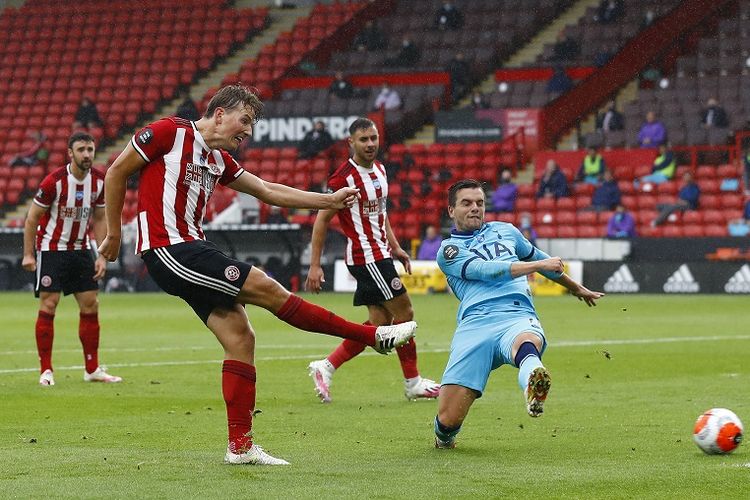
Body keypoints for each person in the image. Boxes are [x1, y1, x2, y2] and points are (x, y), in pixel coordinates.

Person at [98, 85, 417, 466]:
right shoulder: (169, 132)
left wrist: (328, 201)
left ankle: (241, 447)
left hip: (191, 248)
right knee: (267, 288)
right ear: (219, 114)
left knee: (241, 338)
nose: (247, 132)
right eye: (244, 121)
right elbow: (117, 171)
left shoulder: (218, 158)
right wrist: (114, 233)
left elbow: (267, 190)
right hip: (170, 249)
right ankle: (371, 335)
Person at [432, 179, 604, 449]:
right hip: (475, 324)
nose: (475, 208)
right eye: (466, 203)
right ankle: (444, 437)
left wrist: (576, 288)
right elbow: (484, 270)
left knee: (527, 344)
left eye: (480, 203)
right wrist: (535, 264)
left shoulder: (506, 231)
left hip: (516, 313)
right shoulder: (449, 250)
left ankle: (533, 384)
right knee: (448, 419)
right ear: (451, 210)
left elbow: (545, 263)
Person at [305, 118, 440, 404]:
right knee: (406, 314)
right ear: (350, 143)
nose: (370, 144)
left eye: (374, 138)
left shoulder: (380, 170)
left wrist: (396, 247)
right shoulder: (343, 179)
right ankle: (413, 382)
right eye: (363, 139)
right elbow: (322, 219)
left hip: (381, 253)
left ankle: (326, 366)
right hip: (366, 257)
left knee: (379, 323)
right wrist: (315, 265)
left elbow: (381, 215)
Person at [21, 131, 122, 387]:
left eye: (90, 149)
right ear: (70, 153)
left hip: (80, 249)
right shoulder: (53, 182)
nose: (87, 154)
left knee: (91, 304)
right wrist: (28, 254)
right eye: (81, 150)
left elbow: (100, 219)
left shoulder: (99, 182)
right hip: (51, 249)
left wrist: (100, 255)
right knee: (49, 304)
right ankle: (46, 370)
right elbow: (32, 218)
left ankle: (92, 369)